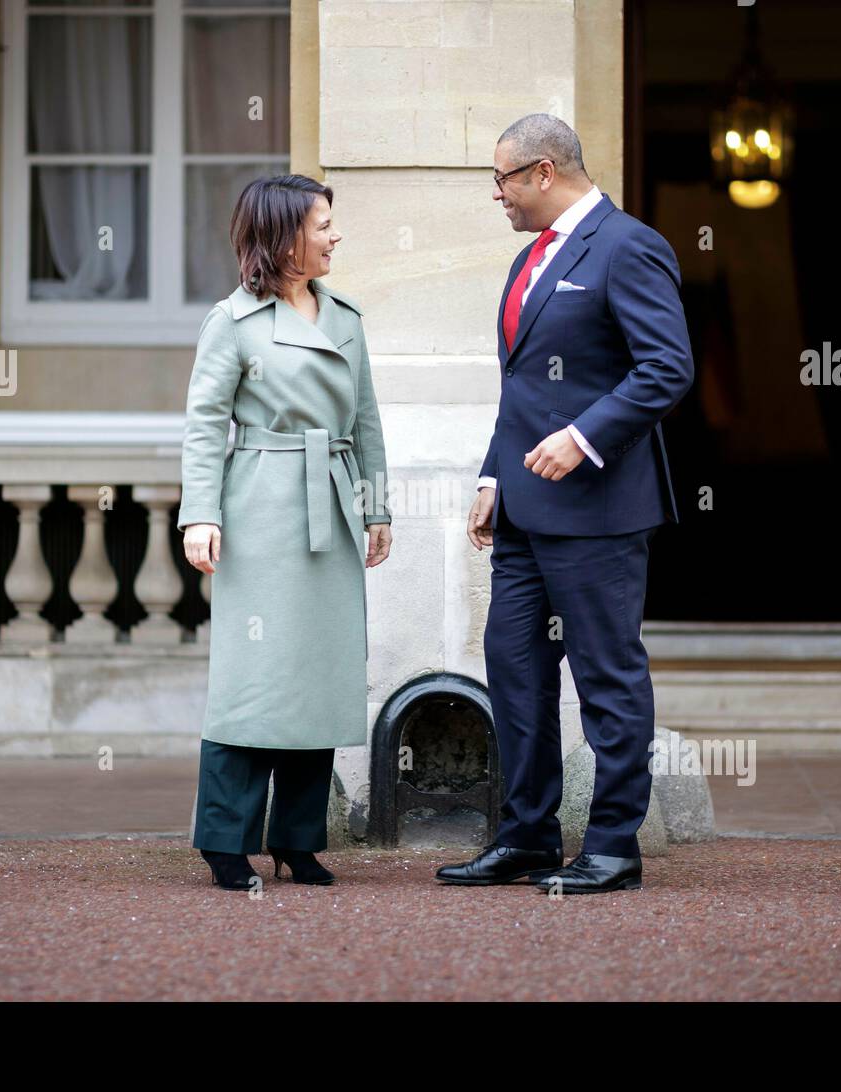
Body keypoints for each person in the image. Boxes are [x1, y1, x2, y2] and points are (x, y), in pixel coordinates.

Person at [436, 114, 693, 894]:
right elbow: (519, 391)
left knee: (608, 679)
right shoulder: (527, 260)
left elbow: (666, 367)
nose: (497, 195)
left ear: (544, 172)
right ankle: (527, 838)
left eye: (502, 180)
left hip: (602, 512)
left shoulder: (629, 245)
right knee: (515, 672)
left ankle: (614, 846)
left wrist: (583, 438)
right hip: (522, 515)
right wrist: (492, 477)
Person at [179, 173, 392, 890]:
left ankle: (298, 841)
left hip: (329, 503)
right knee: (254, 677)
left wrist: (377, 507)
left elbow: (364, 422)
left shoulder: (348, 318)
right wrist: (199, 514)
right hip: (260, 508)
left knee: (318, 675)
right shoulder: (231, 322)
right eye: (322, 224)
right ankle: (224, 841)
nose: (335, 235)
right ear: (283, 235)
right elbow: (206, 424)